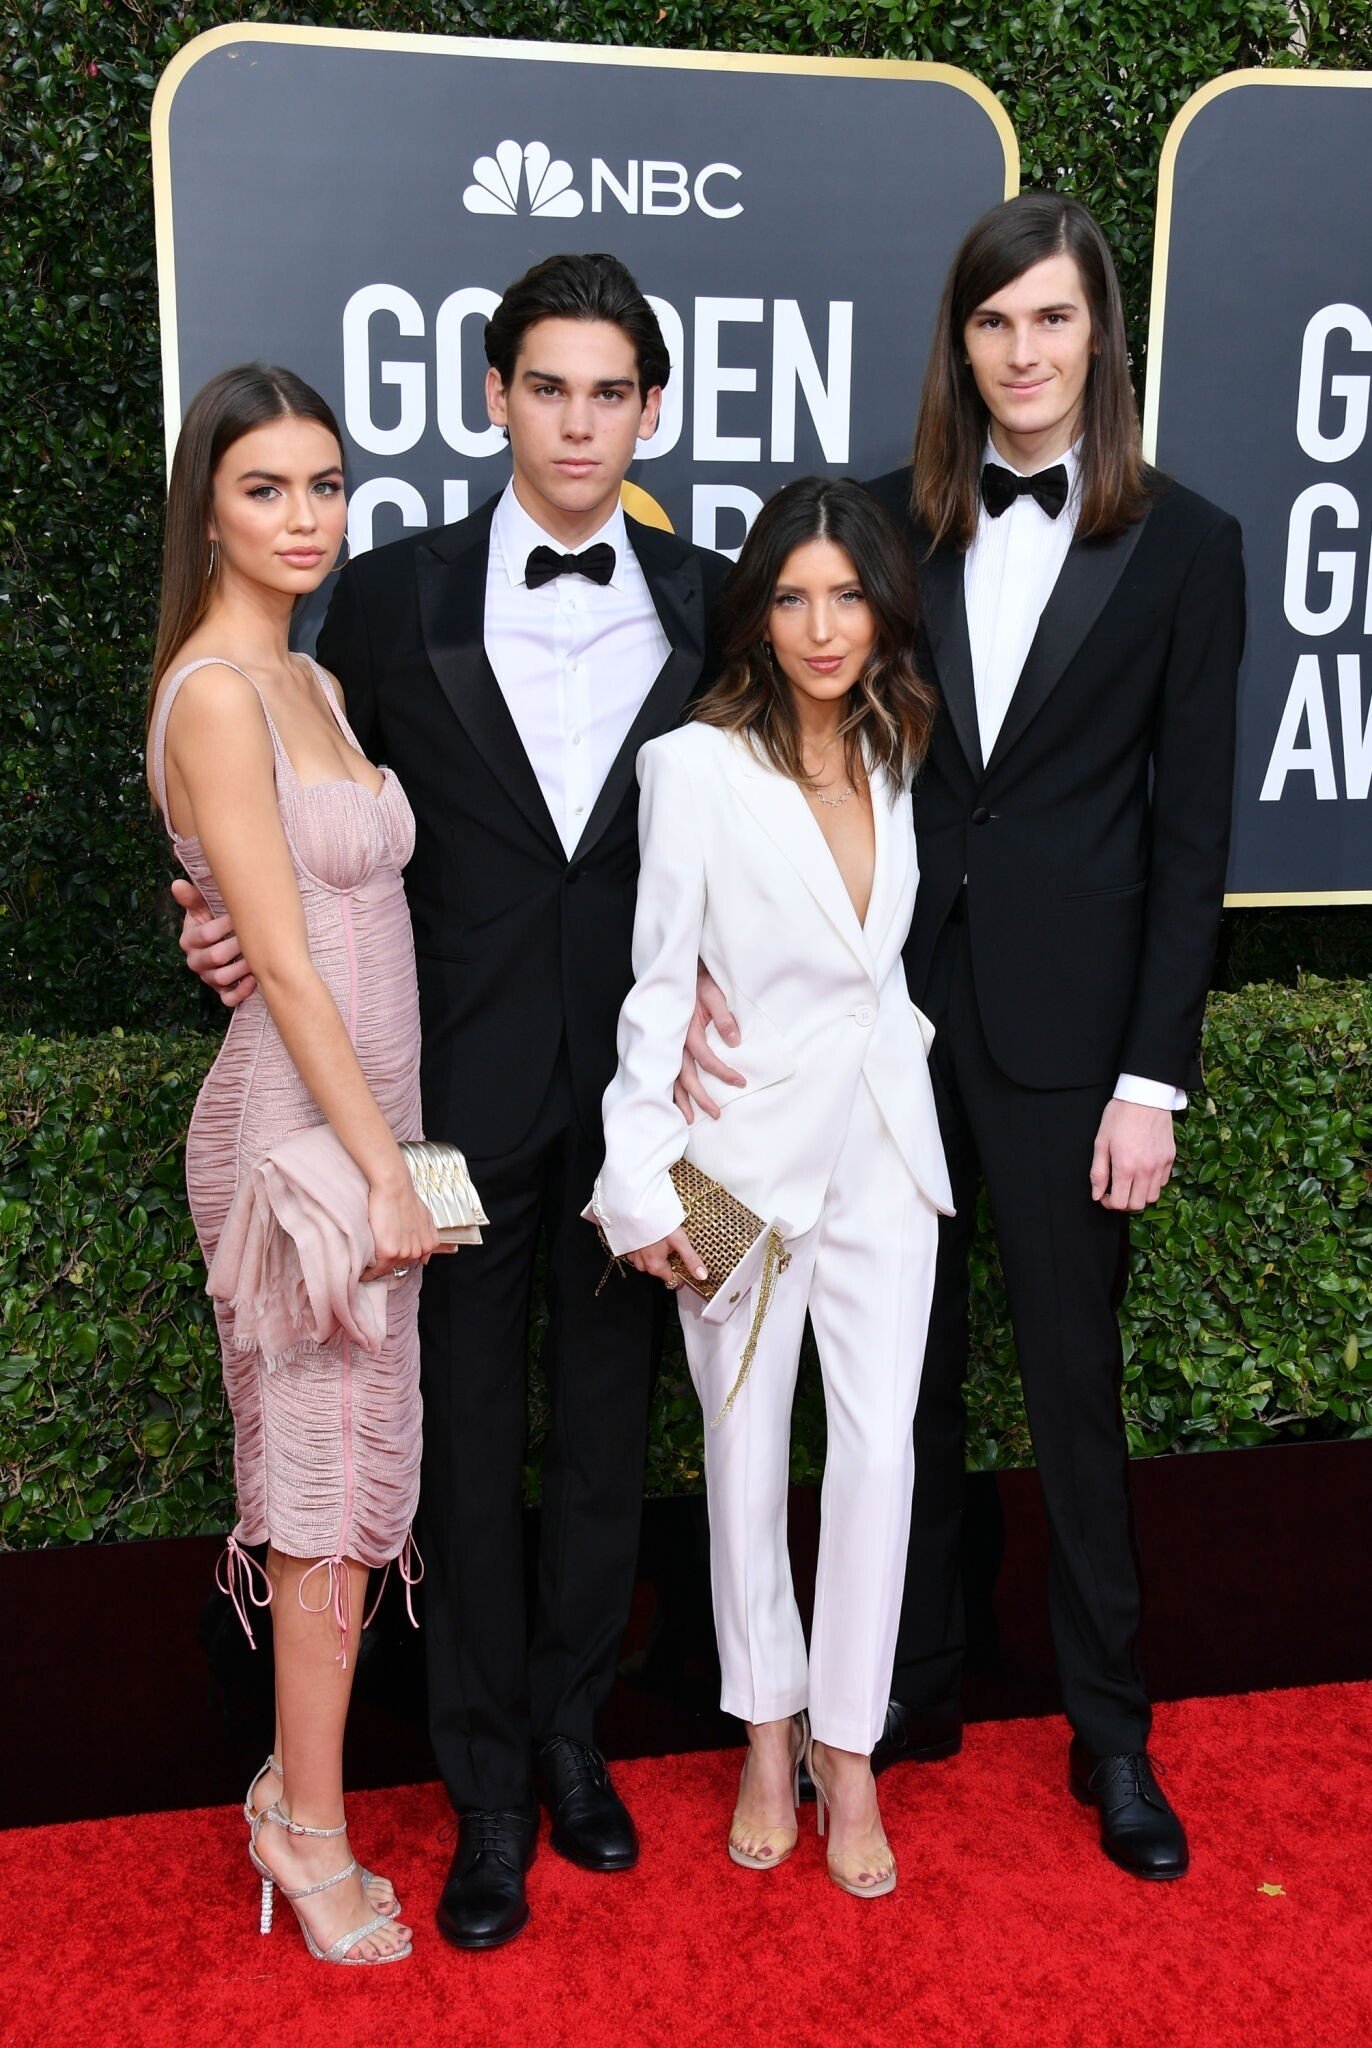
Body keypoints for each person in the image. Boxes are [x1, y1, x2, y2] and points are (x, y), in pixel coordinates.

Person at [685, 193, 1245, 1881]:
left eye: (1052, 319)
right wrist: (697, 965)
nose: (1023, 351)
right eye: (995, 322)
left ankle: (1112, 1732)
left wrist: (1151, 1078)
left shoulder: (1192, 545)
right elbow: (739, 734)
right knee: (891, 1395)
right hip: (885, 1027)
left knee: (1072, 1388)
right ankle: (902, 1694)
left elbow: (1193, 837)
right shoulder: (880, 524)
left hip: (1074, 1048)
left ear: (1100, 337)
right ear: (962, 343)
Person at [178, 254, 730, 1949]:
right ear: (494, 396)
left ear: (651, 408)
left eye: (610, 392)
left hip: (633, 1101)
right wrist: (211, 926)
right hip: (435, 1110)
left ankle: (573, 1740)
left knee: (607, 1435)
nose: (577, 422)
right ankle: (483, 1789)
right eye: (545, 386)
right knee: (463, 1445)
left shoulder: (713, 603)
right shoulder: (381, 599)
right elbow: (289, 829)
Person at [589, 476, 952, 1898]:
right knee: (743, 1457)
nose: (821, 627)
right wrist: (640, 1179)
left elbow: (881, 968)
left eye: (847, 596)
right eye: (792, 597)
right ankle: (764, 1730)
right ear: (756, 614)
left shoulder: (898, 745)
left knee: (878, 1457)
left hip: (885, 1149)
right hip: (733, 1160)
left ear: (882, 610)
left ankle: (848, 1748)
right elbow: (654, 987)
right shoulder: (692, 766)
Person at [147, 364, 439, 1964]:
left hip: (374, 1126)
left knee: (362, 1469)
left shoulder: (309, 678)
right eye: (266, 489)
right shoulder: (214, 694)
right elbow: (282, 960)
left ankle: (297, 1791)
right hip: (302, 1139)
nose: (304, 516)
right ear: (207, 509)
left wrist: (397, 1155)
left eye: (324, 485)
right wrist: (384, 1171)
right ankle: (307, 1829)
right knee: (321, 1488)